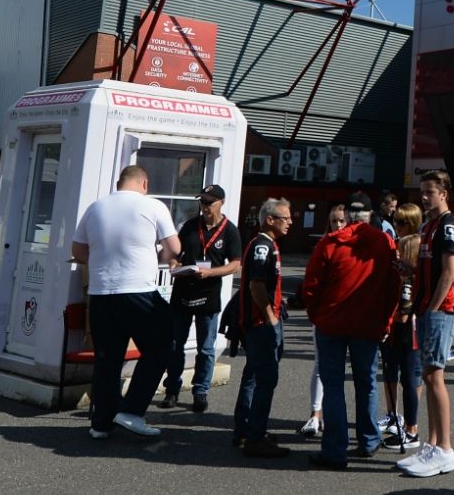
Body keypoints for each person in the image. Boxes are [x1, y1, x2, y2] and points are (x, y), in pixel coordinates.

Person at [72, 167, 179, 441]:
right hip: (137, 290)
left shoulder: (95, 208)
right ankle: (131, 410)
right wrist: (159, 254)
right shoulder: (153, 205)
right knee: (162, 344)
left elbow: (79, 251)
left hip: (100, 294)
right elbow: (174, 248)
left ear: (119, 183)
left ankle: (101, 423)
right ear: (145, 182)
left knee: (108, 359)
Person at [300, 184, 400, 469]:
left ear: (347, 213)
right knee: (366, 382)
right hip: (368, 325)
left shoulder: (330, 243)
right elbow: (392, 287)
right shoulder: (384, 243)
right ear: (369, 214)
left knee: (333, 386)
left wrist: (316, 314)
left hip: (331, 323)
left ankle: (335, 448)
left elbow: (311, 285)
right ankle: (368, 440)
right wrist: (386, 320)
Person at [398, 170, 454, 478]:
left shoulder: (448, 226)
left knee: (434, 376)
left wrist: (433, 309)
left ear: (443, 194)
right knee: (428, 374)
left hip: (440, 311)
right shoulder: (429, 225)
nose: (424, 197)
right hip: (426, 309)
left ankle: (445, 448)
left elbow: (449, 273)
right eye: (421, 192)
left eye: (429, 192)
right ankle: (433, 444)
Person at [160, 184, 243, 415]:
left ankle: (200, 391)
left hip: (208, 296)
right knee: (176, 345)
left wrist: (210, 273)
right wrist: (174, 265)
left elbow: (236, 263)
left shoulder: (230, 231)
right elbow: (175, 255)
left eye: (209, 203)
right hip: (183, 293)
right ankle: (172, 390)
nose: (205, 207)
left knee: (206, 349)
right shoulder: (189, 226)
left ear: (221, 203)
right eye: (202, 202)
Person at [233, 197, 293, 457]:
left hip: (259, 321)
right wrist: (270, 316)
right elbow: (256, 285)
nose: (290, 222)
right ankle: (254, 437)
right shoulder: (262, 246)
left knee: (254, 376)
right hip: (259, 323)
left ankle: (247, 430)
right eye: (285, 218)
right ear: (270, 220)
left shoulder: (267, 245)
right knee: (264, 379)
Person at [383, 201, 425, 449]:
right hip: (404, 326)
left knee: (410, 377)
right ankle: (402, 423)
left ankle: (411, 429)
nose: (397, 226)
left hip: (409, 328)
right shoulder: (404, 258)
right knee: (401, 375)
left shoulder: (413, 248)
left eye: (401, 222)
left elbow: (405, 310)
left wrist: (388, 321)